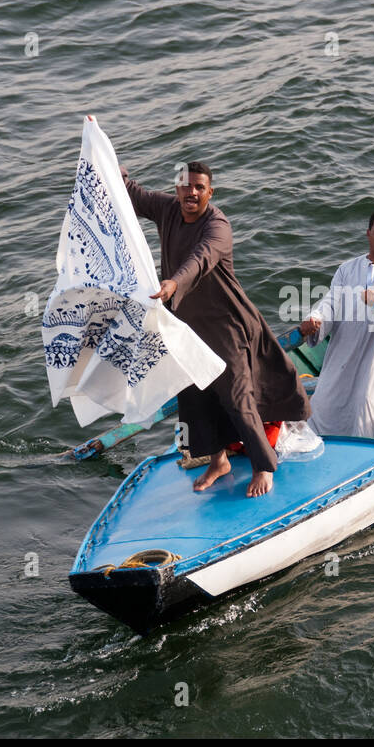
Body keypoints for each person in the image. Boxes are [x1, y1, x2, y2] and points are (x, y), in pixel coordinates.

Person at [122, 161, 309, 497]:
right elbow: (132, 194)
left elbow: (200, 258)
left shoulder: (217, 225)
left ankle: (263, 465)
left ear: (210, 192)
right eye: (185, 186)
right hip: (186, 327)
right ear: (177, 188)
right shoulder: (168, 209)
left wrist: (174, 284)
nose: (191, 192)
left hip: (227, 326)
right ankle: (218, 461)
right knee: (194, 398)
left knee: (236, 396)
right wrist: (104, 157)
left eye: (199, 187)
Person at [298, 210, 374, 440]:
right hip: (346, 348)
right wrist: (315, 318)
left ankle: (373, 453)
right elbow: (331, 303)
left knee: (369, 404)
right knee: (325, 401)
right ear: (368, 234)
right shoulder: (348, 269)